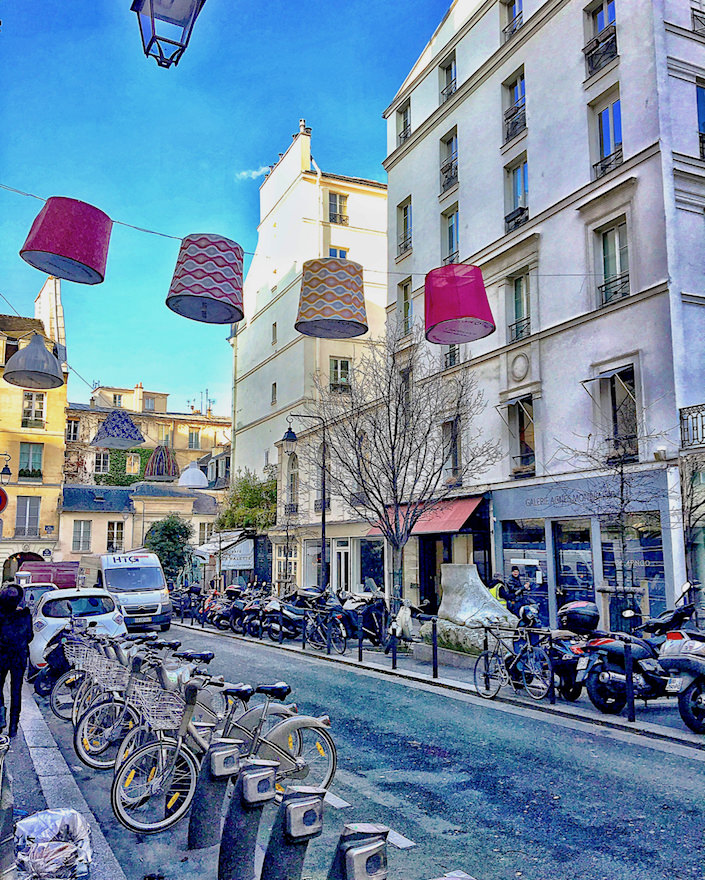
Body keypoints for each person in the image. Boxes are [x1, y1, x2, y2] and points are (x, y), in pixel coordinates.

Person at [0, 584, 33, 737]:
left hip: (1, 656)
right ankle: (13, 726)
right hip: (19, 657)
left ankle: (0, 719)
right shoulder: (25, 615)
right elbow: (30, 636)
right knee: (16, 691)